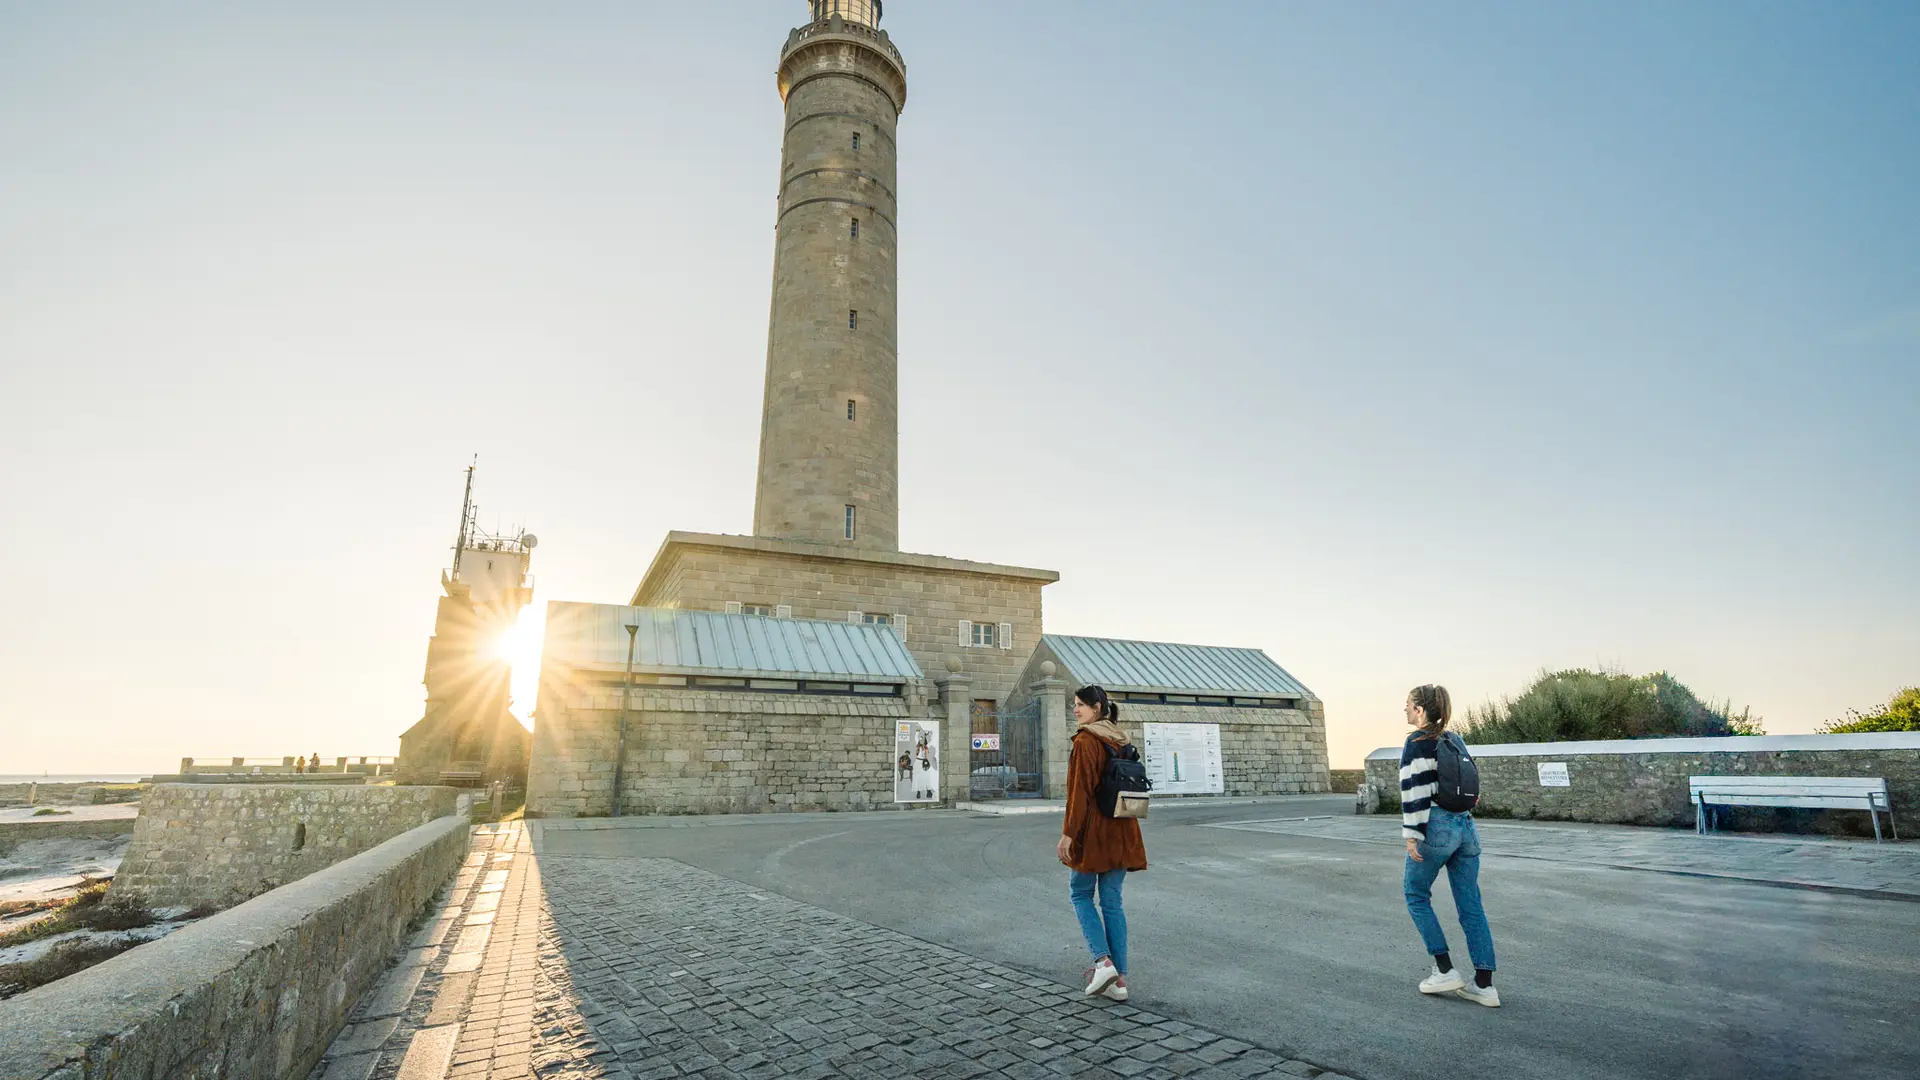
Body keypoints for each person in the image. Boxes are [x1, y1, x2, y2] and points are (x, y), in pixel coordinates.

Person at [1401, 684, 1500, 1007]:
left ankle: (1444, 969)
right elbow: (1473, 784)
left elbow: (1414, 791)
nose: (1404, 710)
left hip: (1436, 826)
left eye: (1407, 705)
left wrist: (1412, 834)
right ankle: (1484, 985)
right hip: (1466, 827)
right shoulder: (1454, 738)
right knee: (1471, 904)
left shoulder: (1415, 743)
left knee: (1415, 894)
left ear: (1420, 710)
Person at [1057, 684, 1147, 1003]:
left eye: (1081, 704)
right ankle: (1118, 981)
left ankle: (1102, 962)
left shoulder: (1086, 741)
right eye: (1074, 704)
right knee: (1112, 902)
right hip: (1123, 830)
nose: (1075, 709)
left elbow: (1079, 794)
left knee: (1080, 894)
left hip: (1094, 833)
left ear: (1097, 709)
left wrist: (1069, 834)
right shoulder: (1120, 739)